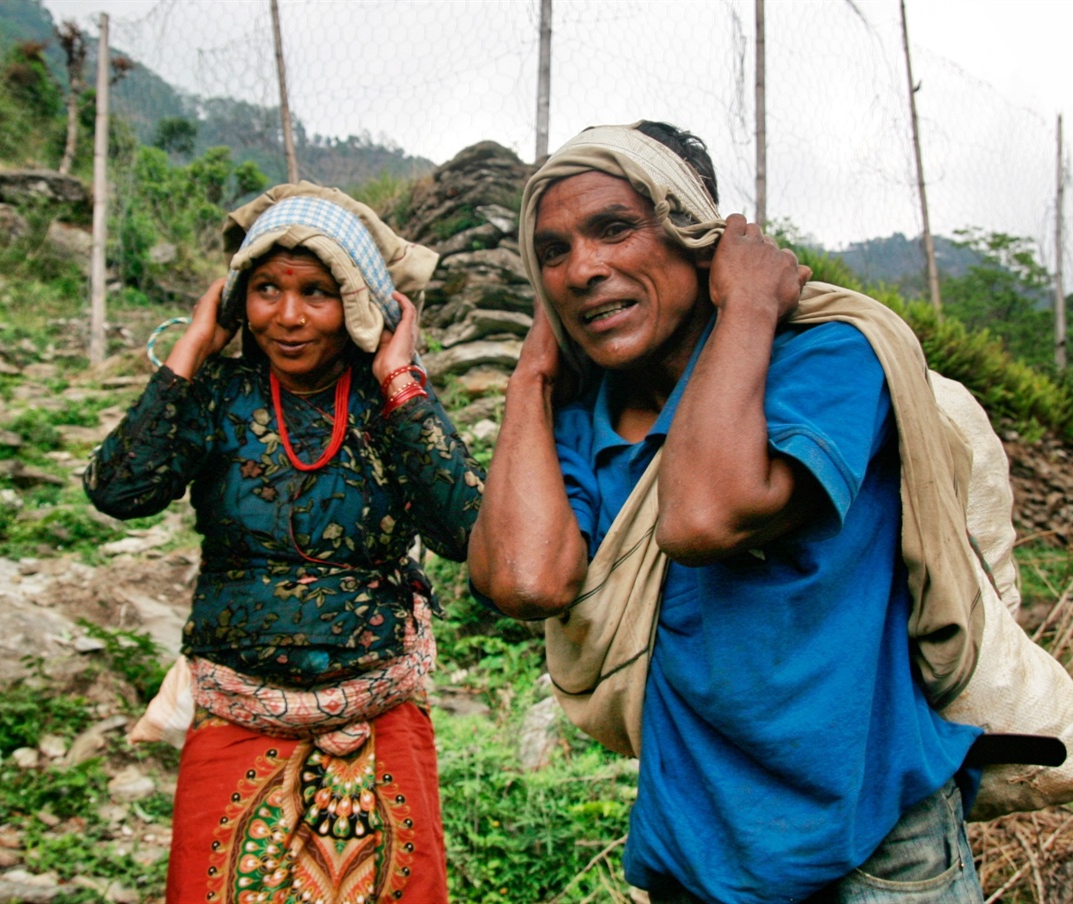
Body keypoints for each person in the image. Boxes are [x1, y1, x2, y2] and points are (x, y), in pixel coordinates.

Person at [468, 121, 986, 903]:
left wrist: (744, 305)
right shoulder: (584, 420)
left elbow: (703, 516)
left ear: (695, 230)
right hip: (694, 852)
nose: (582, 269)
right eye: (554, 252)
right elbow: (524, 580)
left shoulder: (828, 360)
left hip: (877, 848)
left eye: (614, 229)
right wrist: (531, 377)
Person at [84, 182, 484, 903]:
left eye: (316, 293)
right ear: (238, 297)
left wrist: (400, 378)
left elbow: (466, 531)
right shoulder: (218, 397)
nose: (289, 317)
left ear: (357, 303)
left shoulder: (386, 403)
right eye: (266, 288)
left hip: (377, 716)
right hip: (236, 718)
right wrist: (192, 348)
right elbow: (118, 490)